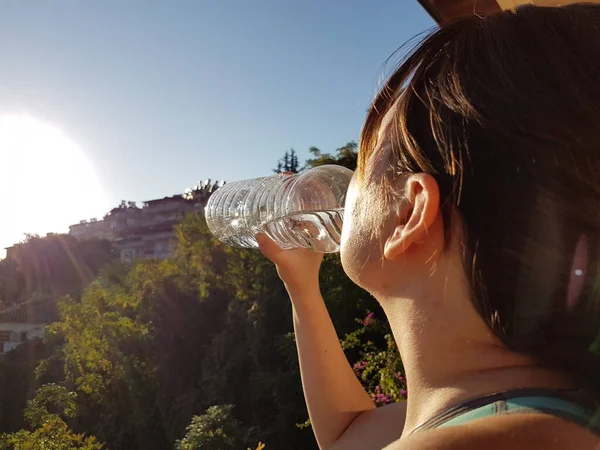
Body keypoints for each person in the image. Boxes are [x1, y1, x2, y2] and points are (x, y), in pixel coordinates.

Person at [257, 4, 600, 450]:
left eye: (368, 158)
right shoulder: (535, 409)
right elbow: (349, 434)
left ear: (410, 213)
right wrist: (301, 286)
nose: (346, 182)